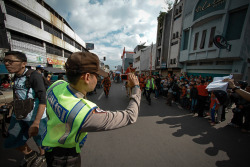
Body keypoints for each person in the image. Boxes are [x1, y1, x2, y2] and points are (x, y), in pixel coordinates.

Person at [42, 52, 141, 167]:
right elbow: (130, 116)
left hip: (49, 147)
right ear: (87, 77)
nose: (98, 79)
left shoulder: (57, 85)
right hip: (65, 159)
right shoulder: (84, 112)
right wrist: (136, 88)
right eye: (97, 75)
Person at [3, 51, 47, 167]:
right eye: (5, 61)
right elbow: (19, 95)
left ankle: (42, 157)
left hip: (36, 117)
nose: (7, 64)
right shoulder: (15, 77)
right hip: (18, 115)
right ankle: (30, 154)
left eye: (10, 61)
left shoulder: (34, 76)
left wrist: (36, 122)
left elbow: (43, 99)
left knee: (41, 141)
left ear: (23, 63)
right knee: (12, 139)